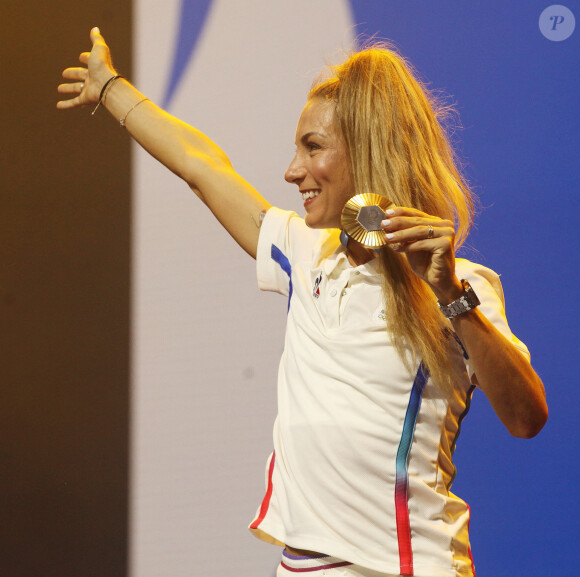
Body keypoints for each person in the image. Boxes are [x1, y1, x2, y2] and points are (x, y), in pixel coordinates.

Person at [57, 28, 548, 577]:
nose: (292, 171)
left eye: (312, 147)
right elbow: (203, 168)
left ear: (367, 150)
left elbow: (527, 419)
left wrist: (450, 297)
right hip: (301, 566)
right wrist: (111, 88)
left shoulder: (461, 283)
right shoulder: (303, 252)